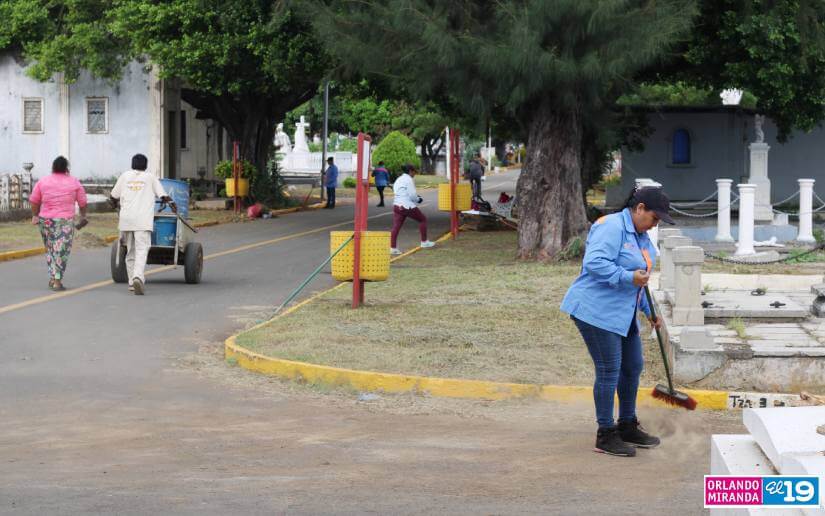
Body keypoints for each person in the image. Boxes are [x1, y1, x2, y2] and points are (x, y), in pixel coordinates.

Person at [560, 186, 675, 457]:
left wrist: (649, 310)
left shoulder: (641, 236)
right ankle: (605, 433)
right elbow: (594, 263)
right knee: (609, 369)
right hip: (595, 311)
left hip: (623, 313)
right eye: (654, 218)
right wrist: (627, 277)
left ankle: (627, 425)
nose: (655, 224)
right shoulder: (611, 226)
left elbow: (641, 279)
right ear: (640, 208)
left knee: (632, 366)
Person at [110, 154, 172, 295]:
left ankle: (132, 282)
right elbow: (163, 195)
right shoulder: (150, 177)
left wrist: (115, 204)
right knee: (141, 249)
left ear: (132, 164)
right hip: (142, 221)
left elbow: (113, 196)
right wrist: (172, 203)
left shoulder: (125, 176)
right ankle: (138, 277)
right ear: (145, 165)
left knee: (130, 250)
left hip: (126, 220)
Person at [29, 156, 88, 291]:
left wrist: (35, 216)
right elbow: (83, 202)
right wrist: (83, 216)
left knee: (50, 249)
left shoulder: (43, 181)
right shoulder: (74, 182)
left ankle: (52, 277)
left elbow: (34, 201)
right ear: (66, 168)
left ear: (53, 167)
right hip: (65, 221)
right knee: (61, 251)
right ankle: (57, 281)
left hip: (46, 221)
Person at [390, 164, 434, 255]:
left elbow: (397, 191)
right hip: (407, 205)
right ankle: (424, 242)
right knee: (423, 219)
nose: (415, 174)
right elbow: (412, 195)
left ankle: (393, 248)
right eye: (414, 171)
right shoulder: (409, 179)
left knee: (396, 226)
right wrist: (419, 199)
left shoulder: (399, 179)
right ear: (410, 171)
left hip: (397, 205)